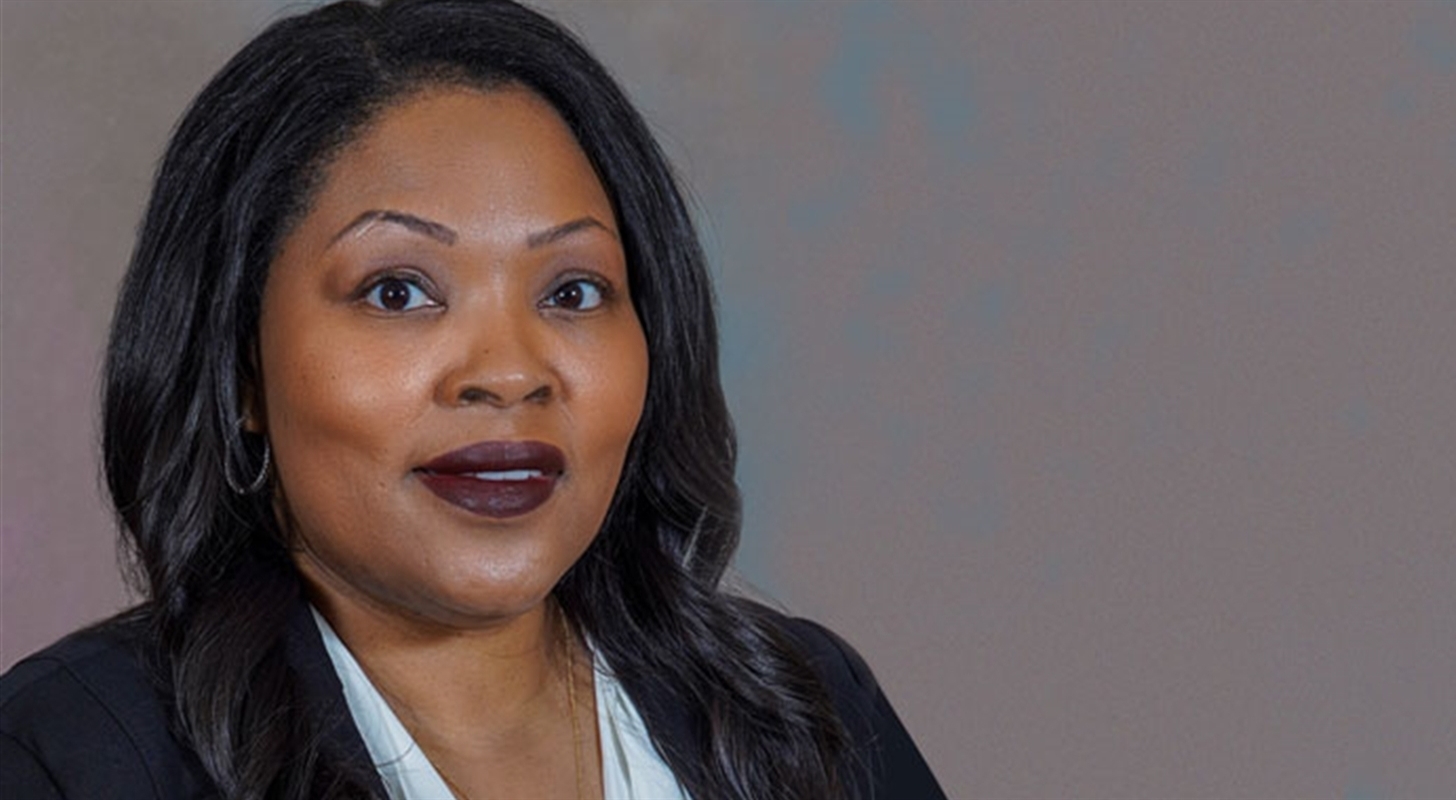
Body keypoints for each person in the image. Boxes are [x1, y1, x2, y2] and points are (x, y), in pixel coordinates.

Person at [0, 1, 946, 798]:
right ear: (240, 368)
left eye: (572, 292)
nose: (508, 372)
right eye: (398, 291)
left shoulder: (801, 711)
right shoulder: (74, 759)